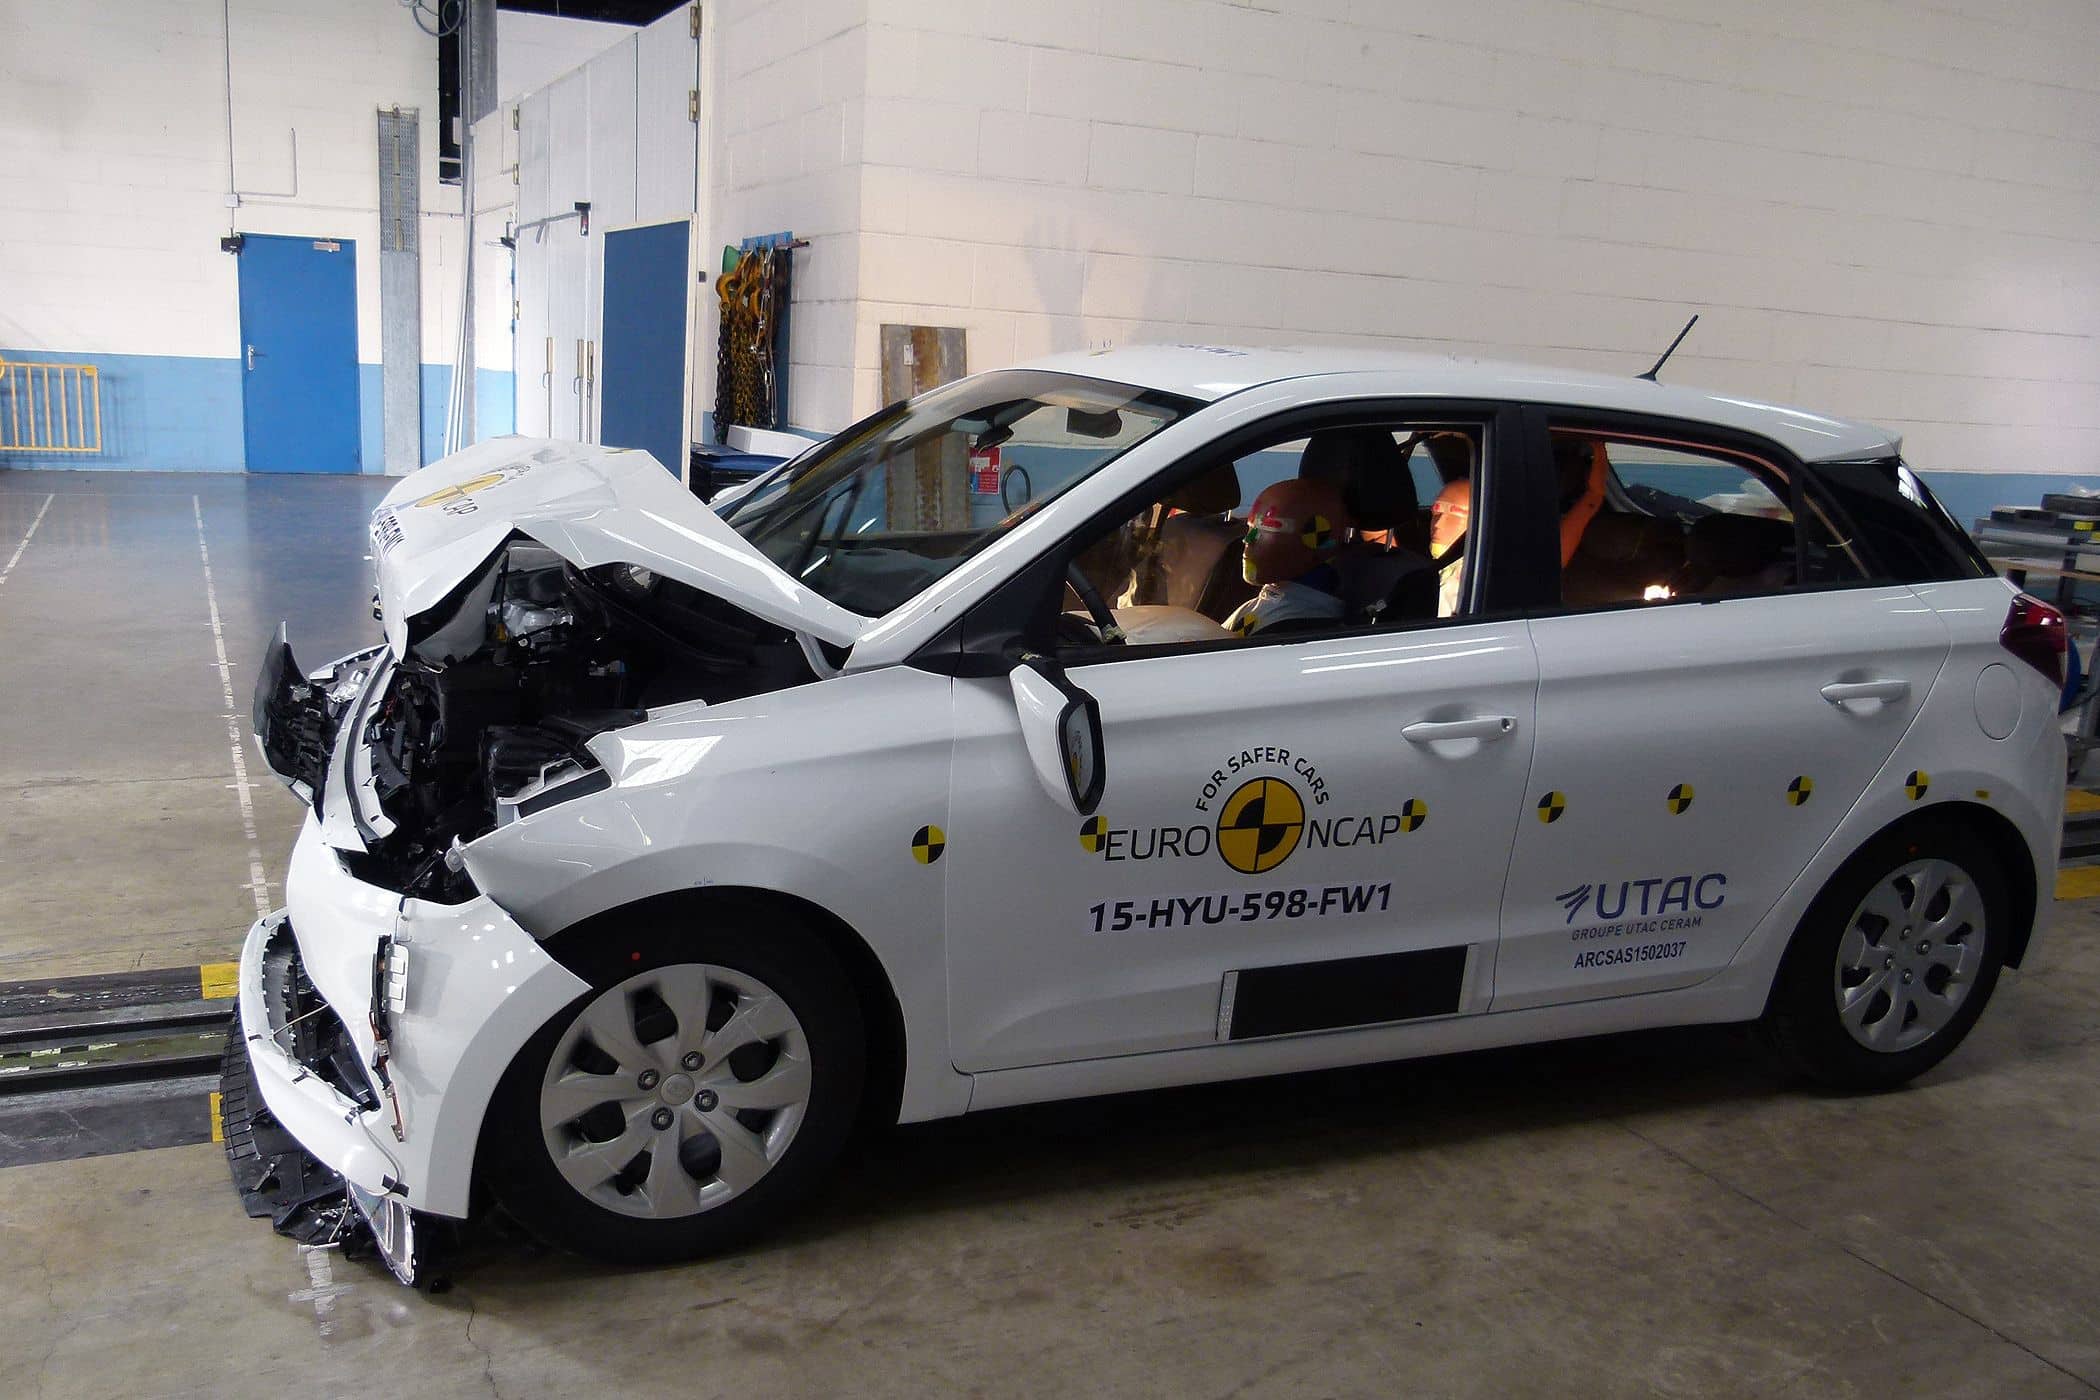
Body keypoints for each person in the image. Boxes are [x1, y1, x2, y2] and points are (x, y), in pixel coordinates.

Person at [1426, 439, 1610, 615]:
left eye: (1454, 513)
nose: (1439, 523)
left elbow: (1592, 499)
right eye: (1436, 512)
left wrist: (1599, 452)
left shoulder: (1505, 570)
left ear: (1483, 519)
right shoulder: (1432, 566)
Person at [1222, 477, 1350, 637]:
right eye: (1250, 528)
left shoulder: (1301, 627)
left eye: (1263, 529)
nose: (1247, 540)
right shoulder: (1272, 601)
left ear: (1316, 537)